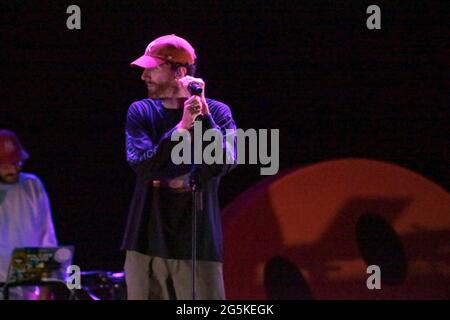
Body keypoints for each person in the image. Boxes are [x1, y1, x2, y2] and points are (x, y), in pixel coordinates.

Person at [122, 34, 237, 300]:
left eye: (152, 68)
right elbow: (142, 164)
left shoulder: (218, 113)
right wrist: (182, 127)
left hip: (198, 245)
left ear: (180, 72)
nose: (144, 76)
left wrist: (203, 115)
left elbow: (222, 163)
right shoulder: (141, 111)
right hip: (145, 243)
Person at [0, 129, 58, 299]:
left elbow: (47, 238)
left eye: (16, 162)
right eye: (5, 165)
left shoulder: (32, 185)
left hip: (29, 289)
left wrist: (46, 288)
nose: (13, 169)